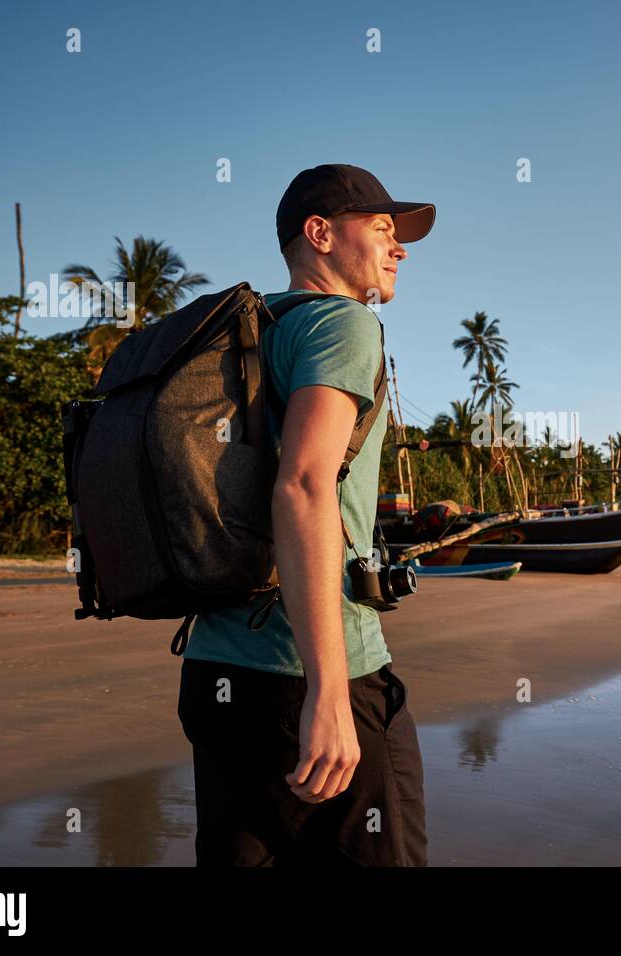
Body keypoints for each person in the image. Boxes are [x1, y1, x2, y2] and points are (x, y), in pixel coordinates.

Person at [176, 164, 435, 866]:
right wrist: (328, 692)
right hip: (313, 675)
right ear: (320, 234)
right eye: (382, 229)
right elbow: (304, 485)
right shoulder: (344, 323)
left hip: (214, 670)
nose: (399, 247)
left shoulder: (249, 334)